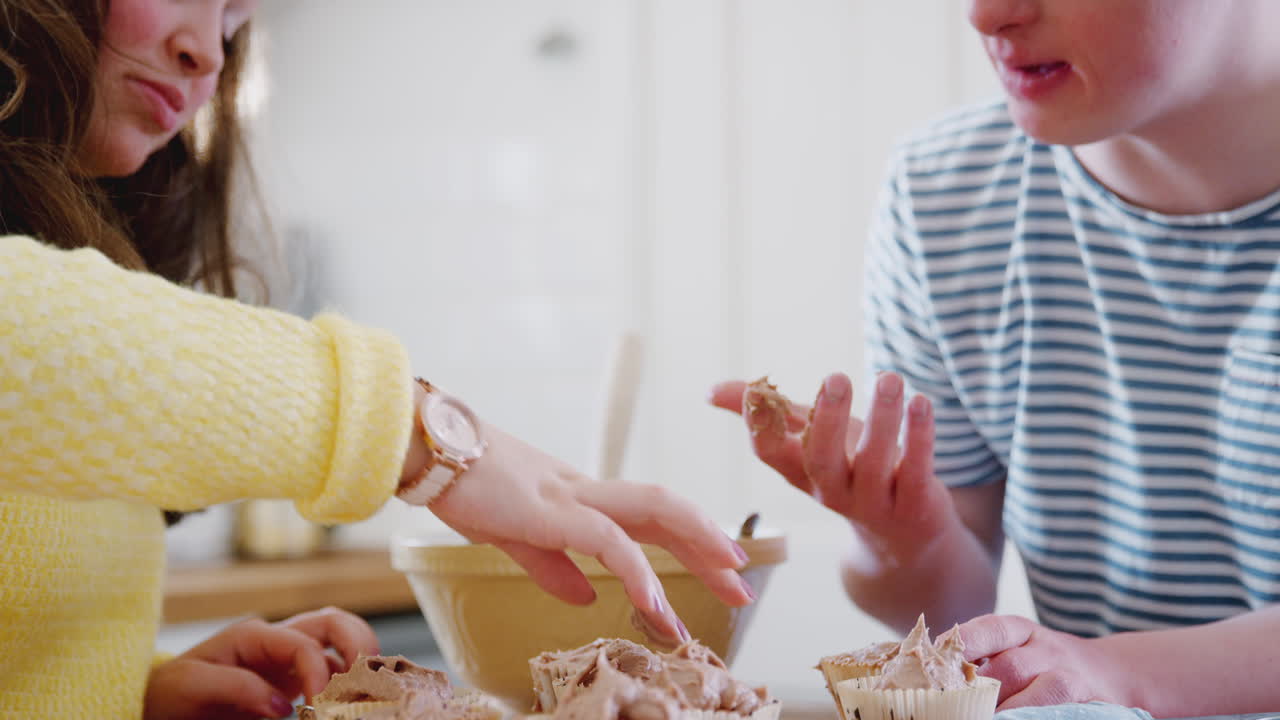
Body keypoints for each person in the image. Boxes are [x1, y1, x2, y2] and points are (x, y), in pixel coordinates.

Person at [0, 1, 755, 718]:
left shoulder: (91, 264)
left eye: (236, 18)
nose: (208, 55)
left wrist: (131, 694)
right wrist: (414, 431)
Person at [712, 0, 1280, 715]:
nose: (986, 15)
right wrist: (905, 539)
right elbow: (958, 606)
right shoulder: (947, 195)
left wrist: (1122, 673)